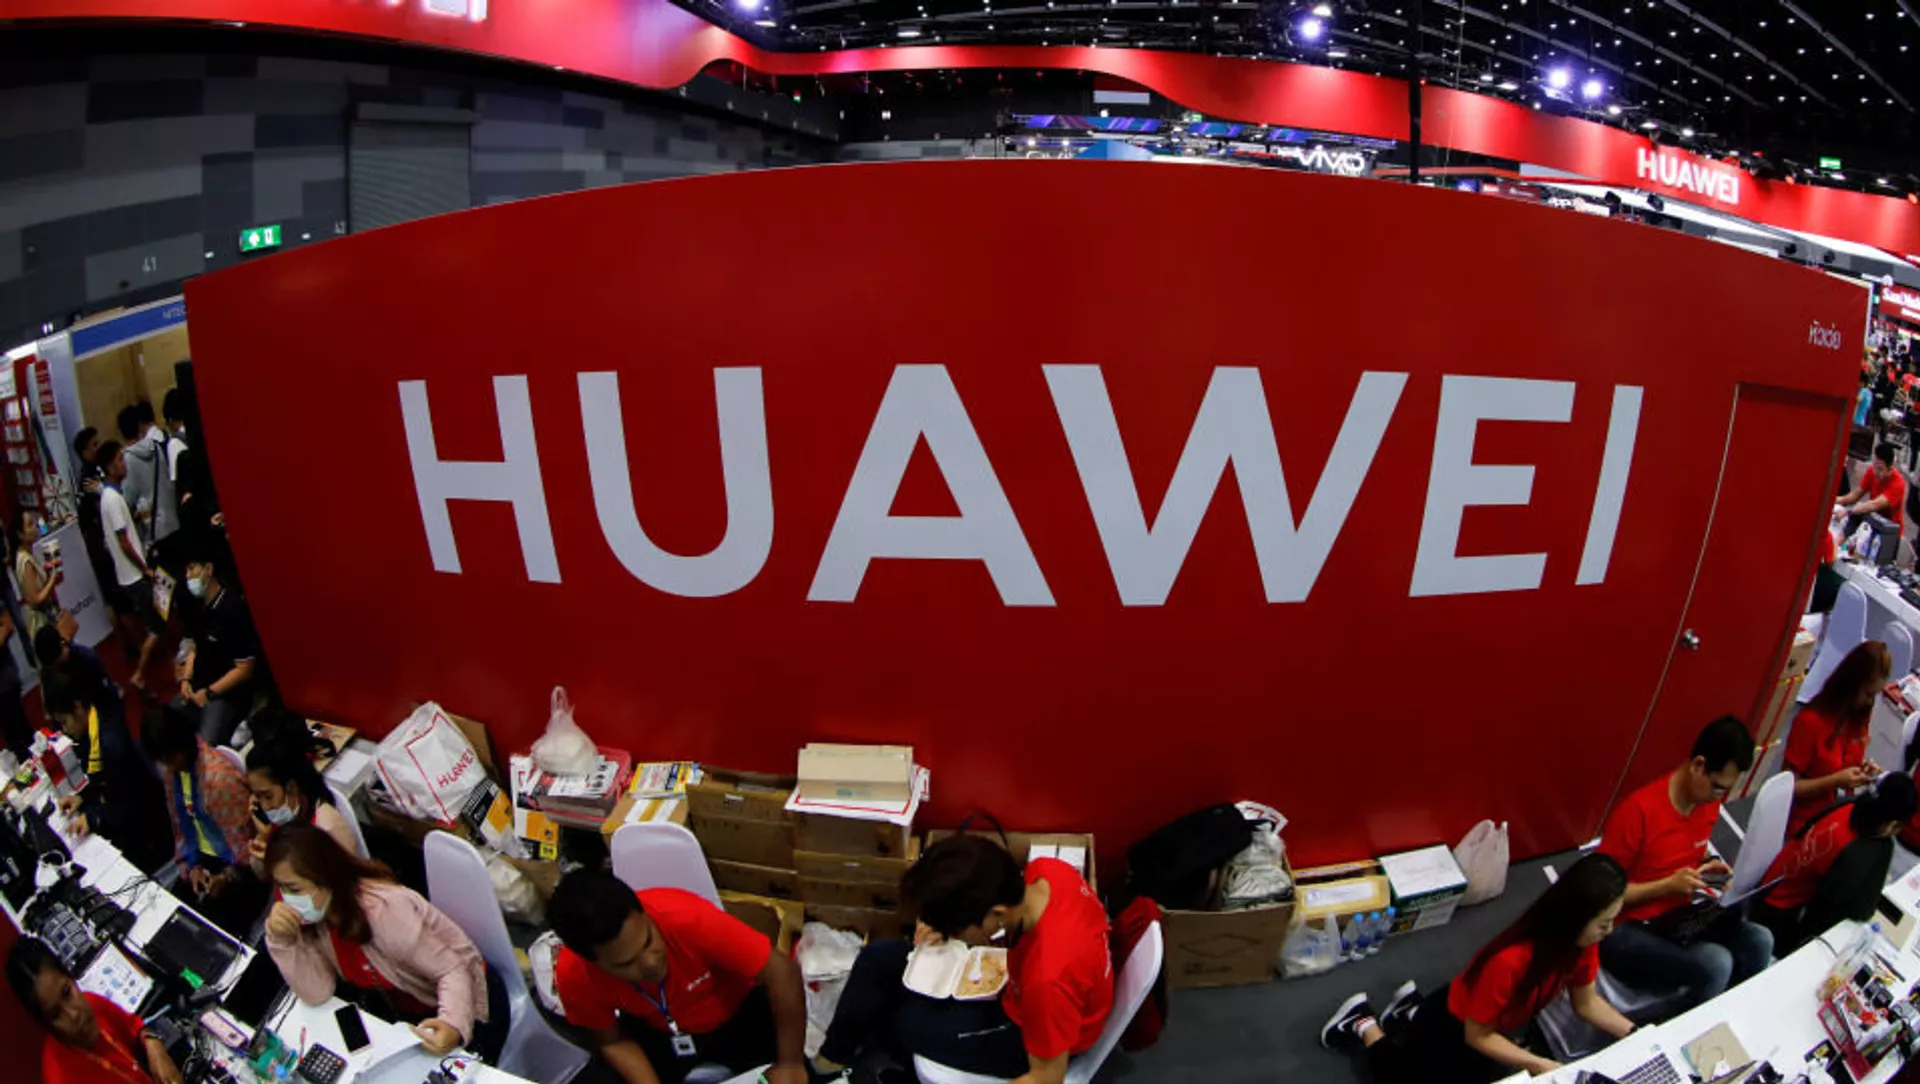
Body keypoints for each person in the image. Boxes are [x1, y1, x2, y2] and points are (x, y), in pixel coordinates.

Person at [816, 835, 1114, 1084]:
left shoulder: (1047, 980)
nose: (952, 934)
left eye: (956, 929)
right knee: (878, 957)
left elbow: (1047, 1077)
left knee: (904, 1021)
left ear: (997, 913)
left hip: (1032, 1036)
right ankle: (828, 1062)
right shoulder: (1048, 871)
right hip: (1025, 987)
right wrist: (939, 917)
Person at [1322, 854, 1636, 1082]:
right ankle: (1363, 1022)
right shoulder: (1510, 962)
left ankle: (1408, 1011)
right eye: (1603, 923)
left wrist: (1634, 1033)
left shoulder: (1582, 944)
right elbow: (1477, 1036)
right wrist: (1538, 1064)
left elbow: (1587, 1003)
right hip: (1455, 1029)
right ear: (1575, 918)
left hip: (1489, 1025)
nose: (1608, 931)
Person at [263, 824, 508, 1061]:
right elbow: (317, 992)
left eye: (293, 889)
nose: (286, 899)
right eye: (281, 888)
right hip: (411, 1009)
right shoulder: (320, 921)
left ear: (325, 877)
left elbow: (453, 969)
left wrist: (452, 1025)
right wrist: (282, 940)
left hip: (470, 999)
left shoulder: (383, 913)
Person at [546, 868, 810, 1084]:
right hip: (656, 1029)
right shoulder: (574, 974)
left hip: (737, 1013)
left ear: (643, 912)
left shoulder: (686, 917)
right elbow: (612, 1041)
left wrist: (790, 1064)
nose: (650, 963)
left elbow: (781, 972)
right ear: (592, 962)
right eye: (626, 964)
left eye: (648, 940)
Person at [1595, 716, 1773, 1017]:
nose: (1719, 797)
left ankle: (1732, 1016)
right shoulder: (1638, 812)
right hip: (1626, 928)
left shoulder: (1706, 805)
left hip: (1678, 919)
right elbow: (1600, 896)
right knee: (1716, 964)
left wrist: (1710, 868)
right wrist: (1666, 886)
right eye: (1717, 788)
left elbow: (1686, 859)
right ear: (1698, 765)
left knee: (1759, 940)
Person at [1756, 773, 1920, 956]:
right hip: (1779, 916)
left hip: (1769, 887)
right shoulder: (1857, 853)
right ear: (1892, 824)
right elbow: (1844, 913)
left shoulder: (1847, 805)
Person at [144, 702, 262, 935]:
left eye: (170, 758)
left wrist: (226, 877)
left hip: (239, 870)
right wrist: (192, 867)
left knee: (210, 936)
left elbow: (248, 851)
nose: (168, 766)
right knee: (168, 922)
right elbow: (180, 828)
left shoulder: (219, 781)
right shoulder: (173, 774)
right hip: (203, 858)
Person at [8, 937, 183, 1084]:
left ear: (71, 977)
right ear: (46, 1024)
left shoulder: (92, 1002)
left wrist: (154, 1046)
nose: (73, 1014)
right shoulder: (61, 1078)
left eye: (67, 993)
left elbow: (133, 1025)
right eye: (55, 1014)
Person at [46, 673, 164, 866]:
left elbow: (133, 806)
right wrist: (82, 797)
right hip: (127, 810)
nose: (65, 729)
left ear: (77, 707)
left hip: (150, 830)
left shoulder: (111, 744)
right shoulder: (94, 726)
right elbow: (101, 780)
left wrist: (94, 818)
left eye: (65, 721)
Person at [1782, 640, 1888, 839]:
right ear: (1852, 684)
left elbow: (1847, 761)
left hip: (1840, 821)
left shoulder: (1859, 719)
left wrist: (1864, 770)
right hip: (1803, 827)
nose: (1870, 702)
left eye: (1874, 695)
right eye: (1868, 694)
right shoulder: (1810, 723)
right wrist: (1834, 781)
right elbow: (1788, 788)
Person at [175, 544, 261, 746]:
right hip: (200, 682)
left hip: (227, 693)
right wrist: (186, 679)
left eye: (192, 568)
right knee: (173, 723)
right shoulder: (197, 607)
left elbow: (245, 669)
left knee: (207, 743)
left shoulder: (233, 609)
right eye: (186, 570)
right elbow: (196, 647)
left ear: (208, 569)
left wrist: (209, 692)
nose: (188, 576)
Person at [97, 441, 161, 691]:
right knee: (156, 627)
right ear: (111, 466)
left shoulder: (110, 497)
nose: (124, 464)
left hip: (129, 574)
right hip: (133, 575)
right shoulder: (112, 499)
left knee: (151, 625)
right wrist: (144, 568)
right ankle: (140, 674)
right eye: (120, 459)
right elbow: (123, 541)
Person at [244, 738, 358, 871]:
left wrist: (276, 861)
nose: (264, 806)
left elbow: (342, 879)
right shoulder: (276, 824)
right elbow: (261, 875)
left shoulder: (327, 828)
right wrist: (263, 837)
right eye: (257, 796)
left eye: (268, 796)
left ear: (291, 787)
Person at [35, 624, 123, 729]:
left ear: (63, 645)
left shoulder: (87, 659)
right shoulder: (49, 667)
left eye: (56, 662)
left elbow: (106, 700)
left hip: (100, 710)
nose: (54, 667)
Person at [119, 403, 179, 548]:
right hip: (173, 520)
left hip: (154, 531)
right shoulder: (157, 446)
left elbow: (128, 501)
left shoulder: (128, 460)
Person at [12, 507, 63, 646]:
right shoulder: (25, 561)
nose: (35, 527)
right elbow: (35, 599)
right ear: (20, 534)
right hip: (41, 624)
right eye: (29, 525)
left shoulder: (28, 554)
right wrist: (52, 578)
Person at [1838, 443, 1908, 539]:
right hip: (1873, 523)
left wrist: (1847, 511)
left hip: (1890, 532)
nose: (1876, 472)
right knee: (1853, 519)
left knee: (1858, 510)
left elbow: (1874, 505)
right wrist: (1834, 500)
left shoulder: (1898, 484)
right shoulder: (1872, 471)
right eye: (1874, 466)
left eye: (1880, 469)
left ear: (1890, 469)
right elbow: (1854, 495)